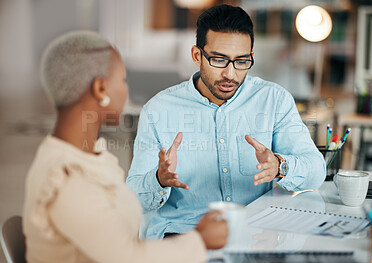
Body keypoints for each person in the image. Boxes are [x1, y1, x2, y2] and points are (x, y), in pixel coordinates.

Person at [22, 31, 227, 263]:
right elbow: (128, 257)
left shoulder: (84, 155)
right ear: (100, 89)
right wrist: (200, 240)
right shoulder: (67, 179)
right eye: (122, 80)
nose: (126, 91)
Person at [126, 4, 326, 239]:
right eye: (219, 60)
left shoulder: (274, 100)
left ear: (251, 57)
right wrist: (159, 179)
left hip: (254, 235)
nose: (230, 74)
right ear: (197, 55)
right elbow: (132, 199)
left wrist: (280, 166)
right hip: (185, 236)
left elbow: (316, 170)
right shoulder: (158, 109)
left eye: (241, 61)